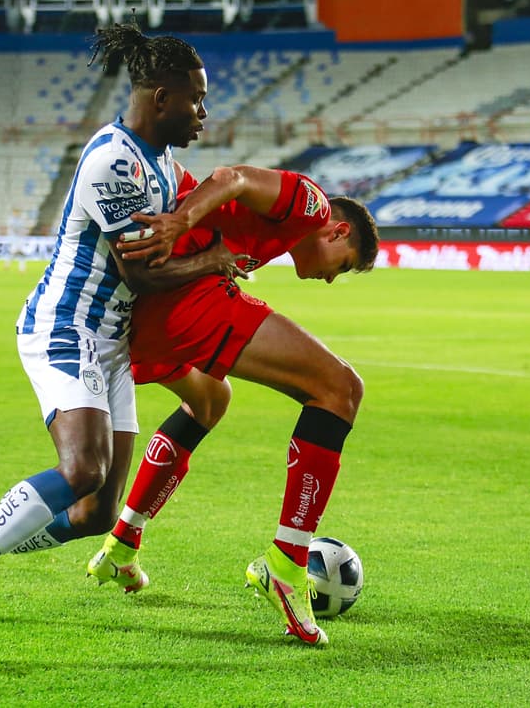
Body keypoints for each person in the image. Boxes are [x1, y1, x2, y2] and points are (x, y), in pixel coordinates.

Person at [0, 22, 242, 642]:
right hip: (68, 324)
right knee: (82, 468)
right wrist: (212, 262)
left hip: (111, 342)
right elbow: (139, 274)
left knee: (94, 513)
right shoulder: (115, 158)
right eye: (196, 97)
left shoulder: (161, 161)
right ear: (160, 96)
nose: (204, 111)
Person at [84, 164, 379, 646]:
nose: (330, 279)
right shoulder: (313, 204)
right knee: (341, 388)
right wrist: (182, 220)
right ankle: (287, 562)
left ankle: (122, 542)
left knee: (210, 400)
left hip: (151, 308)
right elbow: (235, 176)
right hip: (185, 297)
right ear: (337, 230)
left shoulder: (273, 237)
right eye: (342, 265)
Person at [4, 207, 30, 273]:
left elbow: (24, 228)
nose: (16, 213)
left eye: (17, 212)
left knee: (20, 253)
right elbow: (12, 228)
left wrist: (23, 232)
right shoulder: (11, 220)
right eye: (15, 212)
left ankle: (21, 268)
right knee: (14, 252)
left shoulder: (21, 220)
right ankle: (7, 264)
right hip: (13, 238)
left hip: (20, 238)